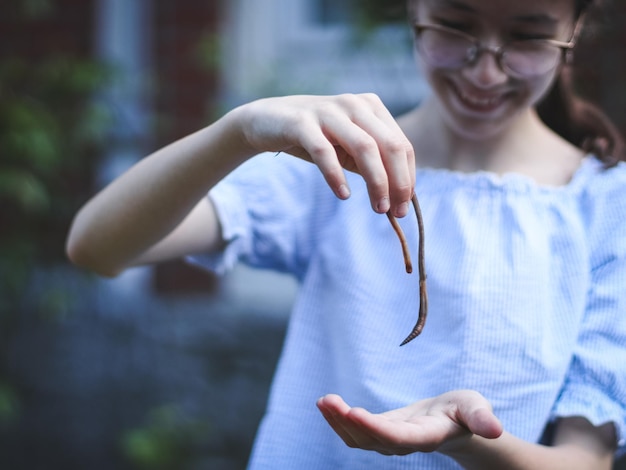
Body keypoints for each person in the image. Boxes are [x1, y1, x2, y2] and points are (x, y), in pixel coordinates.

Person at [66, 0, 626, 468]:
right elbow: (99, 246)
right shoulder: (331, 166)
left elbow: (586, 460)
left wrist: (467, 440)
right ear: (414, 10)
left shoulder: (605, 207)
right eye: (454, 27)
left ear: (573, 29)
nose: (484, 71)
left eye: (528, 38)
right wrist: (238, 132)